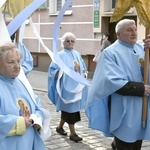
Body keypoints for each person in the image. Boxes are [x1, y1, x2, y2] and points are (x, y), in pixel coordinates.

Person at [86, 19, 150, 150]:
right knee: (125, 141)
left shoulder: (141, 48)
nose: (134, 32)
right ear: (118, 34)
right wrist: (140, 88)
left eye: (135, 29)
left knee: (137, 141)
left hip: (142, 104)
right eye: (129, 30)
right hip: (124, 106)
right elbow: (111, 81)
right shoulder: (110, 53)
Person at [0, 41, 51, 150]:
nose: (17, 66)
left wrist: (37, 119)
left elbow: (38, 105)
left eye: (18, 61)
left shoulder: (22, 82)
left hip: (28, 143)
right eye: (11, 62)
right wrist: (20, 123)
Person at [48, 32, 88, 142]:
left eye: (72, 41)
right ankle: (73, 133)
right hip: (66, 88)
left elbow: (82, 66)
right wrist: (60, 71)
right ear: (63, 43)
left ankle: (59, 127)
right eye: (67, 41)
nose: (70, 43)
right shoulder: (59, 55)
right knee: (70, 111)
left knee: (70, 110)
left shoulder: (77, 54)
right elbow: (52, 70)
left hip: (77, 88)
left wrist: (85, 72)